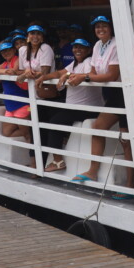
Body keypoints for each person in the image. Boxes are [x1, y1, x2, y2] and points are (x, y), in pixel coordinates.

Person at [74, 16, 134, 186]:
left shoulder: (116, 45)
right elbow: (94, 72)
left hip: (124, 95)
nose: (100, 29)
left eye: (104, 26)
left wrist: (84, 77)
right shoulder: (97, 45)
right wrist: (82, 76)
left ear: (111, 28)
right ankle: (93, 171)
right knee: (98, 128)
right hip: (111, 95)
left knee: (126, 141)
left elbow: (112, 75)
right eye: (97, 26)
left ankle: (131, 184)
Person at [37, 38, 100, 172]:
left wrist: (67, 75)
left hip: (86, 108)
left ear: (88, 50)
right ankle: (63, 140)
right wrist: (44, 77)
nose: (77, 50)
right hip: (75, 107)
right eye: (75, 47)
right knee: (50, 113)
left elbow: (88, 74)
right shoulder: (75, 63)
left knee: (55, 121)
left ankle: (58, 161)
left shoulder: (89, 61)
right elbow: (59, 72)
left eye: (81, 47)